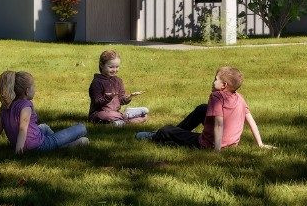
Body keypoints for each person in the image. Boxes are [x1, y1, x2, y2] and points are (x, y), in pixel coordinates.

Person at [142, 66, 271, 150]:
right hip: (231, 144)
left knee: (166, 130)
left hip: (209, 144)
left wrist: (217, 150)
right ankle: (178, 131)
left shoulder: (216, 96)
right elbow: (251, 120)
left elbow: (219, 124)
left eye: (215, 79)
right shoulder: (239, 97)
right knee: (202, 109)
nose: (213, 82)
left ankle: (156, 136)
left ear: (224, 85)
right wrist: (260, 143)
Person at [0, 71, 87, 153]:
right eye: (33, 86)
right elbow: (22, 129)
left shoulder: (5, 106)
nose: (35, 89)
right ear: (27, 91)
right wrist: (19, 150)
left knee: (44, 127)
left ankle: (58, 144)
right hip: (36, 146)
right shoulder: (25, 106)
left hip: (23, 141)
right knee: (81, 128)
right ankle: (58, 146)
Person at [88, 49, 149, 125]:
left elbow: (121, 100)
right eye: (111, 67)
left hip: (115, 113)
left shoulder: (118, 81)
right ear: (101, 65)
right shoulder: (97, 82)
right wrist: (108, 97)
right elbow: (97, 102)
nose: (114, 70)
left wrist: (129, 97)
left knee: (144, 117)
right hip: (99, 113)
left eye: (117, 67)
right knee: (107, 115)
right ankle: (126, 116)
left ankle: (120, 122)